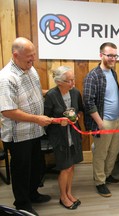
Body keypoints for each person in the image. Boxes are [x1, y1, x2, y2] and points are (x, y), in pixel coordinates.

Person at [0, 37, 53, 216]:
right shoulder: (6, 78)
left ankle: (33, 194)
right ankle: (22, 204)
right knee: (21, 170)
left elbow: (37, 93)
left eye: (34, 55)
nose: (33, 60)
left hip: (35, 131)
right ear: (16, 55)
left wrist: (53, 92)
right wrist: (37, 119)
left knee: (36, 166)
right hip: (19, 134)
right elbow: (8, 111)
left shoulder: (30, 70)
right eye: (29, 57)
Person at [83, 42, 119, 197]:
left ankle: (107, 174)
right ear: (101, 55)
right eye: (109, 55)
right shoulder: (92, 76)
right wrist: (99, 122)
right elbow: (88, 101)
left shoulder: (113, 73)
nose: (113, 58)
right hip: (103, 121)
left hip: (118, 120)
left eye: (115, 55)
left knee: (113, 151)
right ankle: (100, 182)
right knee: (101, 153)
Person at [44, 66, 83, 210]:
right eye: (69, 81)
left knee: (71, 166)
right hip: (59, 137)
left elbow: (79, 110)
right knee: (65, 167)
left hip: (73, 135)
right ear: (59, 82)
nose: (73, 83)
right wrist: (59, 121)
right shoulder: (51, 95)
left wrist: (76, 117)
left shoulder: (75, 93)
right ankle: (63, 197)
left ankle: (69, 193)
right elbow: (45, 119)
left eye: (73, 79)